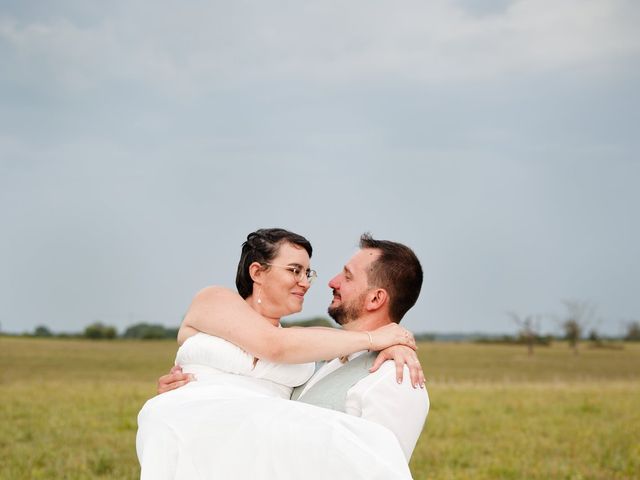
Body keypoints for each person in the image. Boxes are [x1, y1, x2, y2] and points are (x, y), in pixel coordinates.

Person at [137, 229, 422, 479]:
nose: (307, 282)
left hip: (246, 455)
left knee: (371, 448)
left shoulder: (308, 344)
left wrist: (393, 342)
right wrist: (377, 338)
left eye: (307, 272)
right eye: (294, 270)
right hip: (186, 425)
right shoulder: (213, 299)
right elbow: (274, 345)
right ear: (257, 272)